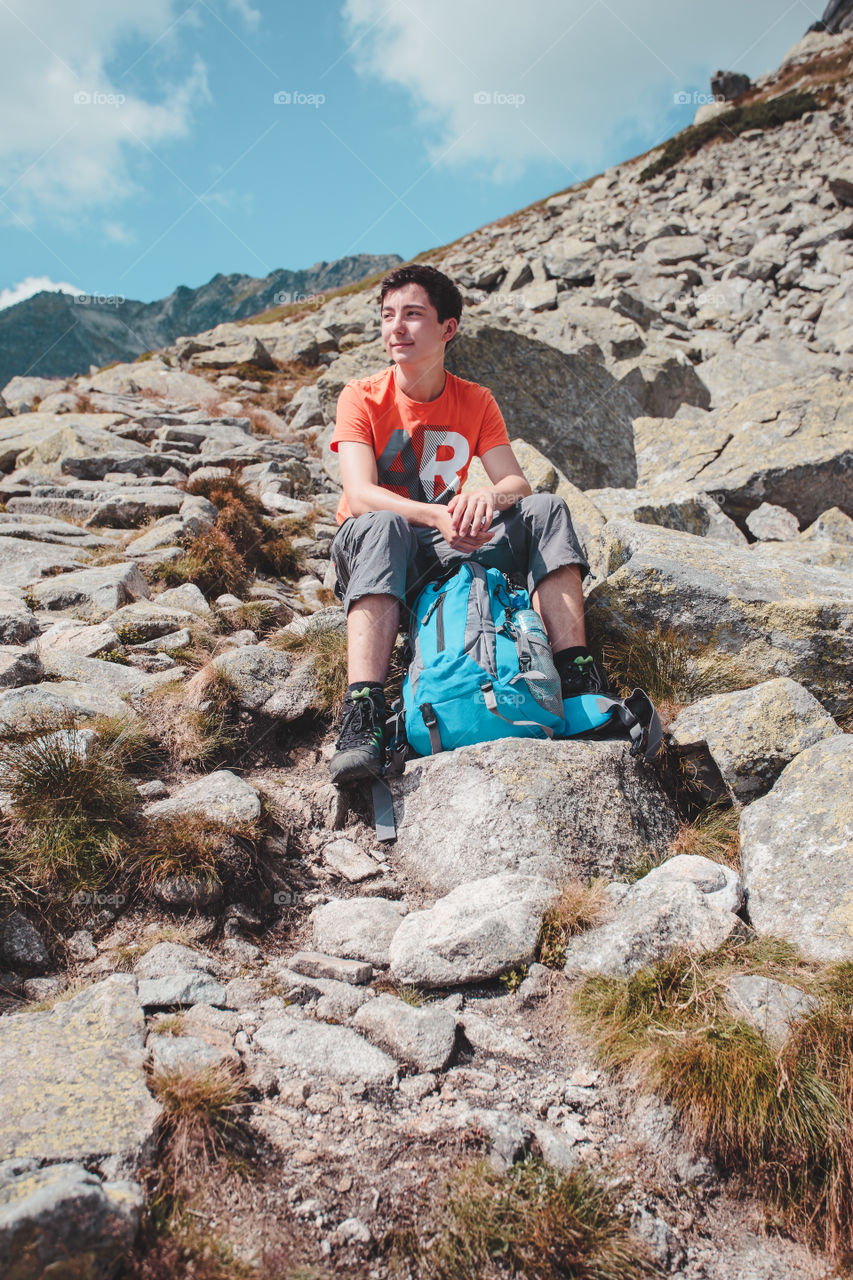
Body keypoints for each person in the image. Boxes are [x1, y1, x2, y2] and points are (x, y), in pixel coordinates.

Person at [327, 263, 608, 785]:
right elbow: (360, 495)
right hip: (375, 547)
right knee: (384, 521)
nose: (396, 329)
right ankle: (363, 708)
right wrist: (438, 513)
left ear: (447, 328)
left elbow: (517, 485)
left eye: (413, 315)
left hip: (444, 544)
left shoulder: (475, 400)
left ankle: (575, 673)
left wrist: (485, 496)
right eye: (388, 316)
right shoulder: (360, 396)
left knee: (546, 511)